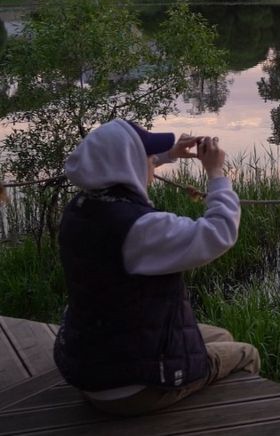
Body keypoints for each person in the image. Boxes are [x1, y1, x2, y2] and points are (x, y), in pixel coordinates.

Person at [53, 119, 262, 416]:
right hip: (131, 388)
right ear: (131, 162)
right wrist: (216, 174)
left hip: (91, 363)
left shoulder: (80, 210)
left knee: (221, 337)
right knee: (245, 353)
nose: (151, 162)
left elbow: (124, 172)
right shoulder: (139, 228)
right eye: (148, 156)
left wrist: (169, 154)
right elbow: (219, 232)